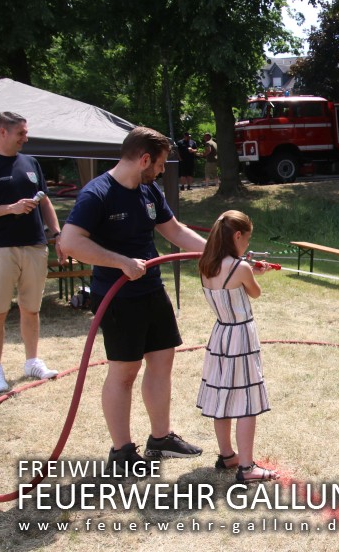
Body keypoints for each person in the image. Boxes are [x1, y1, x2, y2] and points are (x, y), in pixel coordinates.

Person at [60, 126, 206, 474]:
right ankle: (122, 452)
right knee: (124, 372)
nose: (161, 171)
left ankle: (161, 438)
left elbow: (174, 230)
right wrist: (121, 262)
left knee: (161, 362)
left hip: (151, 291)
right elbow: (70, 242)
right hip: (117, 297)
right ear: (143, 159)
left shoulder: (148, 190)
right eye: (158, 164)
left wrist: (221, 253)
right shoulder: (97, 194)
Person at [197, 210, 277, 483]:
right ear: (237, 235)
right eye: (247, 238)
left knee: (222, 396)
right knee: (246, 401)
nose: (247, 244)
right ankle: (246, 467)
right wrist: (256, 273)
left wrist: (248, 270)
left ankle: (227, 454)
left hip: (220, 335)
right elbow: (254, 292)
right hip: (241, 337)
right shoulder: (240, 268)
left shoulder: (206, 265)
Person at [0, 111, 67, 394]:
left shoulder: (31, 162)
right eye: (21, 133)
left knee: (31, 308)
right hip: (0, 248)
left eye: (26, 132)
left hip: (35, 246)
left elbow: (45, 201)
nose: (27, 137)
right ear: (3, 132)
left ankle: (32, 361)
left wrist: (56, 234)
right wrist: (10, 209)